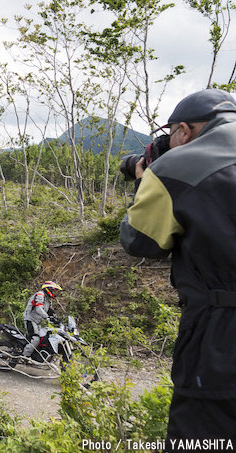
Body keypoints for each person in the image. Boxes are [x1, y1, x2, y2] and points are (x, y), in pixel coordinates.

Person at [120, 88, 236, 443]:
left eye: (169, 134)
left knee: (204, 435)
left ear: (184, 130)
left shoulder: (177, 166)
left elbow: (140, 242)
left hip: (221, 336)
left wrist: (144, 184)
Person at [22, 281, 62, 359]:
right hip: (30, 319)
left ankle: (38, 355)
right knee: (36, 339)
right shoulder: (40, 294)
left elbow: (50, 311)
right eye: (53, 290)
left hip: (37, 322)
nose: (54, 293)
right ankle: (24, 356)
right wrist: (47, 317)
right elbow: (38, 308)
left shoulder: (48, 300)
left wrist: (56, 318)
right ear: (48, 289)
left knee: (44, 337)